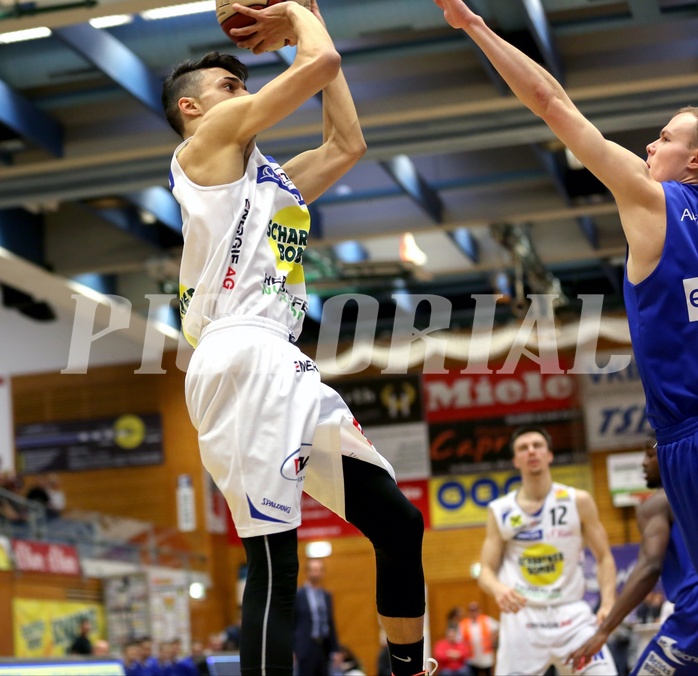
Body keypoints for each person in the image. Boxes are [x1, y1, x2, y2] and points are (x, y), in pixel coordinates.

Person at [161, 3, 431, 676]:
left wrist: (307, 18)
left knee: (397, 523)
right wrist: (297, 13)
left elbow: (348, 145)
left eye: (241, 84)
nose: (240, 92)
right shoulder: (204, 144)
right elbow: (321, 65)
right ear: (194, 109)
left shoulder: (270, 181)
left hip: (285, 360)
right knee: (275, 561)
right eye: (228, 86)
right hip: (238, 355)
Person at [432, 0, 698, 576]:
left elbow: (552, 103)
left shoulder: (657, 201)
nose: (651, 147)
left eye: (664, 138)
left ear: (694, 163)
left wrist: (473, 24)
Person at [476, 425, 617, 675]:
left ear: (549, 455)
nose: (531, 451)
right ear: (515, 460)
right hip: (523, 618)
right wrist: (498, 589)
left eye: (537, 446)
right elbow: (485, 570)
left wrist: (608, 602)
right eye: (523, 448)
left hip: (572, 616)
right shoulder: (500, 510)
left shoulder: (578, 500)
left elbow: (604, 557)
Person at [568, 441, 698, 674]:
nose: (643, 463)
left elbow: (649, 566)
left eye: (650, 455)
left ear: (668, 456)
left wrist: (604, 630)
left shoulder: (659, 501)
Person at [294, 559, 340, 676]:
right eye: (314, 570)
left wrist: (335, 649)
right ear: (307, 572)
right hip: (305, 647)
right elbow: (292, 622)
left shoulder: (326, 595)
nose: (317, 573)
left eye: (319, 570)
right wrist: (292, 649)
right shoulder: (299, 595)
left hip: (323, 647)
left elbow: (330, 622)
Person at [458, 602, 498, 676]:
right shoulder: (464, 624)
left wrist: (493, 639)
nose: (473, 612)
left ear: (479, 610)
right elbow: (459, 639)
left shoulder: (486, 620)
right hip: (471, 656)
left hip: (486, 656)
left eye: (475, 610)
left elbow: (497, 628)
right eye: (471, 610)